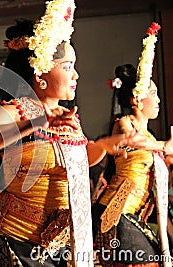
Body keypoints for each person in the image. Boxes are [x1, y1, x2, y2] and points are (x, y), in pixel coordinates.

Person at [0, 0, 138, 266]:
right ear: (41, 74)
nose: (76, 75)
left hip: (61, 241)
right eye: (68, 67)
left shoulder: (69, 117)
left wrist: (103, 146)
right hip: (17, 239)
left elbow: (75, 162)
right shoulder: (20, 110)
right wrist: (34, 124)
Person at [93, 22, 172, 267]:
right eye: (154, 94)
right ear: (137, 99)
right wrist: (163, 146)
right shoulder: (125, 123)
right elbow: (130, 141)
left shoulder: (150, 138)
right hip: (117, 210)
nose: (158, 100)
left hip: (135, 213)